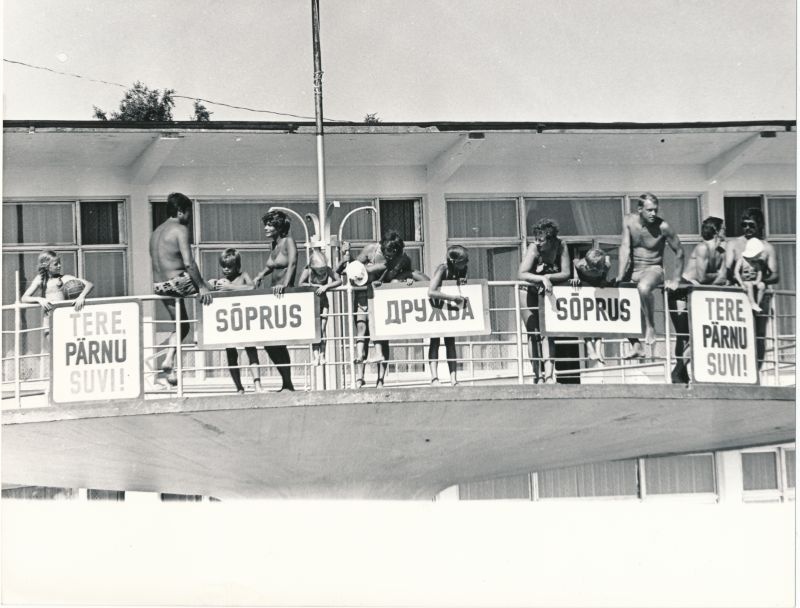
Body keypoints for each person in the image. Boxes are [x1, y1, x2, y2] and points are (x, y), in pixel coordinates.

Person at [339, 230, 421, 388]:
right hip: (363, 295)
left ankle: (380, 380)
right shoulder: (371, 249)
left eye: (392, 254)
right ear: (382, 247)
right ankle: (359, 378)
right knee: (362, 330)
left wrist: (408, 279)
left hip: (383, 297)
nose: (389, 256)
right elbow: (355, 269)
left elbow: (407, 273)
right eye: (386, 252)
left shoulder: (403, 258)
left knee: (382, 338)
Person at [149, 192, 213, 386]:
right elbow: (189, 263)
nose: (189, 218)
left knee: (182, 325)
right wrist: (202, 286)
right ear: (180, 212)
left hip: (160, 285)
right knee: (215, 288)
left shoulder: (156, 232)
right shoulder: (179, 229)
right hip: (178, 281)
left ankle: (169, 361)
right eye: (188, 213)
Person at [614, 193, 684, 358]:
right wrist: (620, 275)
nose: (653, 214)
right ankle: (636, 345)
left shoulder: (663, 227)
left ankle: (651, 327)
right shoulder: (628, 221)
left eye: (655, 210)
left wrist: (676, 279)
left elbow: (680, 251)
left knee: (644, 288)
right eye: (649, 210)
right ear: (640, 209)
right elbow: (625, 247)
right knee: (616, 299)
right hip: (633, 270)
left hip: (653, 269)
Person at [667, 216, 726, 383]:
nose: (725, 231)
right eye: (723, 228)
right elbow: (702, 276)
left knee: (698, 335)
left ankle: (679, 371)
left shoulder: (721, 251)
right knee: (684, 335)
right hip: (683, 289)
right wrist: (721, 276)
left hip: (698, 292)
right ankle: (680, 373)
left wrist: (721, 276)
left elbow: (721, 276)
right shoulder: (702, 248)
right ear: (715, 230)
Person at [724, 208, 779, 369]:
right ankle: (737, 373)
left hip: (760, 296)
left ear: (760, 225)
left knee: (758, 336)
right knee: (735, 335)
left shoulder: (767, 247)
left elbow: (775, 275)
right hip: (739, 294)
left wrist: (759, 281)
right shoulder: (733, 244)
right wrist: (739, 280)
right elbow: (727, 270)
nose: (747, 228)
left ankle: (757, 372)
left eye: (751, 225)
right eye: (744, 225)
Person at [518, 218, 571, 383]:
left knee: (548, 334)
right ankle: (537, 376)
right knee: (533, 333)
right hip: (528, 290)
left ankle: (549, 375)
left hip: (546, 291)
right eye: (535, 238)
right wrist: (541, 279)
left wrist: (548, 276)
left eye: (541, 240)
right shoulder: (533, 248)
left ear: (551, 238)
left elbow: (566, 273)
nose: (537, 243)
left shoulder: (561, 246)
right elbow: (522, 274)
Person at [253, 209, 296, 391]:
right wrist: (260, 275)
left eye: (270, 224)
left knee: (279, 342)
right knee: (270, 344)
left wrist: (286, 285)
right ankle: (286, 382)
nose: (266, 228)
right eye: (266, 224)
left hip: (284, 295)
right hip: (273, 295)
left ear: (279, 226)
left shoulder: (288, 241)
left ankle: (288, 383)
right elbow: (271, 267)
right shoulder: (274, 245)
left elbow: (292, 263)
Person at [212, 248, 262, 394]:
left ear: (237, 266)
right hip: (229, 322)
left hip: (244, 321)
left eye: (229, 266)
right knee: (231, 354)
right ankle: (239, 387)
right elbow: (211, 290)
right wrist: (213, 285)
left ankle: (257, 385)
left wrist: (230, 287)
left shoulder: (243, 276)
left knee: (251, 352)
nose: (226, 270)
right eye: (223, 266)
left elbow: (251, 286)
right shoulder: (221, 281)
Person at [427, 245, 469, 386]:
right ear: (455, 261)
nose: (467, 263)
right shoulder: (443, 269)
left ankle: (453, 379)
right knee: (435, 342)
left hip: (449, 312)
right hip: (436, 308)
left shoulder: (462, 270)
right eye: (465, 260)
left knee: (450, 342)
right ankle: (434, 378)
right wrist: (452, 298)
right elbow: (431, 292)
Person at [298, 247, 342, 364]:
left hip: (323, 301)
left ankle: (322, 354)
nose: (322, 272)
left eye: (323, 269)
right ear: (313, 268)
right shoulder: (308, 271)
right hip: (312, 302)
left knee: (322, 328)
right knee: (314, 329)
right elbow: (300, 283)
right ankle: (315, 355)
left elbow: (339, 280)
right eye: (319, 270)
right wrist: (313, 286)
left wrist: (326, 286)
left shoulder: (328, 270)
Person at [21, 249, 95, 319]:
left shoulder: (63, 278)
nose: (59, 266)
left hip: (63, 315)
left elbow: (89, 284)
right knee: (47, 331)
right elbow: (24, 298)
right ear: (46, 266)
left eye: (60, 263)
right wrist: (39, 299)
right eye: (56, 264)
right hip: (49, 318)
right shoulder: (41, 279)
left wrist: (81, 296)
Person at [569, 247, 612, 364]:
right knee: (585, 321)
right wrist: (576, 278)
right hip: (585, 290)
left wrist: (603, 279)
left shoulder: (606, 266)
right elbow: (574, 261)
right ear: (587, 266)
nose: (595, 273)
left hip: (597, 290)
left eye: (597, 271)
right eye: (593, 270)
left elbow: (607, 263)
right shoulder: (581, 265)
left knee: (599, 321)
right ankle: (590, 348)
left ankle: (598, 351)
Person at [735, 238, 768, 312]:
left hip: (753, 281)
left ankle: (758, 304)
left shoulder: (756, 263)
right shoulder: (742, 260)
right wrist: (741, 283)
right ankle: (752, 303)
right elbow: (736, 272)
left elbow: (759, 272)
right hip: (745, 281)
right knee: (749, 285)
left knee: (762, 285)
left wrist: (757, 281)